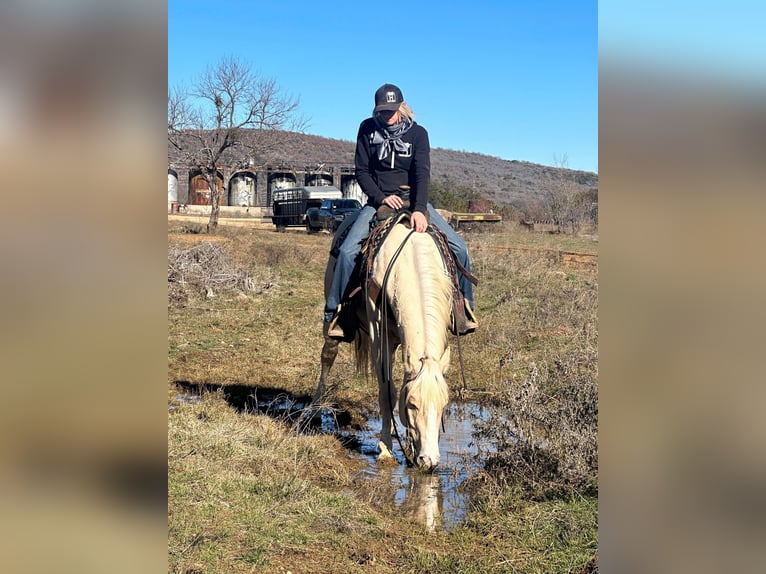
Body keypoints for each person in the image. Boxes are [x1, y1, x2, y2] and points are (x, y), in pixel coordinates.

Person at [324, 83, 476, 338]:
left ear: (402, 107)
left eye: (392, 111)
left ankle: (463, 309)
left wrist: (418, 209)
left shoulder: (418, 134)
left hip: (413, 199)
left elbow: (421, 173)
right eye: (383, 111)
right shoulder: (367, 130)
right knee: (349, 252)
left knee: (460, 249)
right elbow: (361, 171)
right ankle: (337, 315)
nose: (388, 116)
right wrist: (381, 197)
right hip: (378, 201)